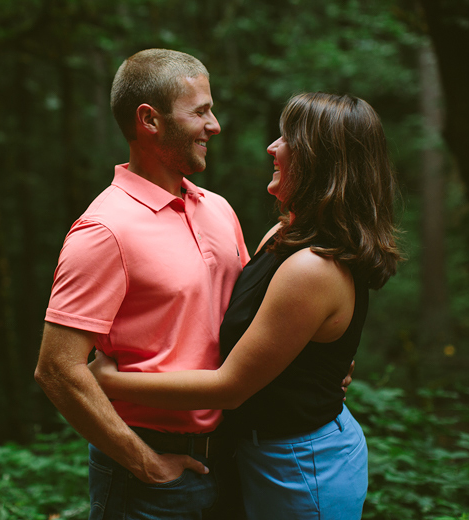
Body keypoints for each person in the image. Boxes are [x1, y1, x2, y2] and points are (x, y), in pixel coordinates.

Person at [91, 92, 402, 520]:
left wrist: (108, 381)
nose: (273, 148)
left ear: (320, 160)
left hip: (300, 467)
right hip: (256, 454)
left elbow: (230, 387)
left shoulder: (313, 268)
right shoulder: (284, 233)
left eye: (288, 138)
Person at [34, 48, 250, 519]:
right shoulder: (105, 230)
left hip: (234, 458)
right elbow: (57, 369)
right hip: (151, 478)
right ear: (149, 120)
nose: (214, 125)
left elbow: (252, 320)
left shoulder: (219, 208)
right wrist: (145, 464)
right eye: (200, 112)